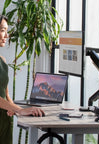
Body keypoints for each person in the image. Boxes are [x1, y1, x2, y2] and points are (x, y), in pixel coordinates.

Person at [0, 15, 45, 144]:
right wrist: (20, 110)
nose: (6, 35)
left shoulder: (2, 61)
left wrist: (15, 108)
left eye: (6, 31)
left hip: (4, 120)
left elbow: (6, 94)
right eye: (3, 30)